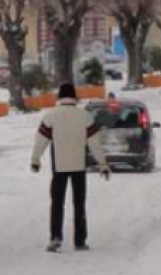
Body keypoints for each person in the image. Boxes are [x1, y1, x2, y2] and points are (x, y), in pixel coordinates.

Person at [30, 83, 111, 252]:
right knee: (79, 203)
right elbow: (95, 143)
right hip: (78, 166)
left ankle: (56, 237)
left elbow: (41, 140)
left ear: (59, 97)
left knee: (57, 203)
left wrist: (35, 159)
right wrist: (102, 164)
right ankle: (80, 240)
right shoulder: (85, 116)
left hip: (59, 166)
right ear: (74, 97)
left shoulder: (51, 116)